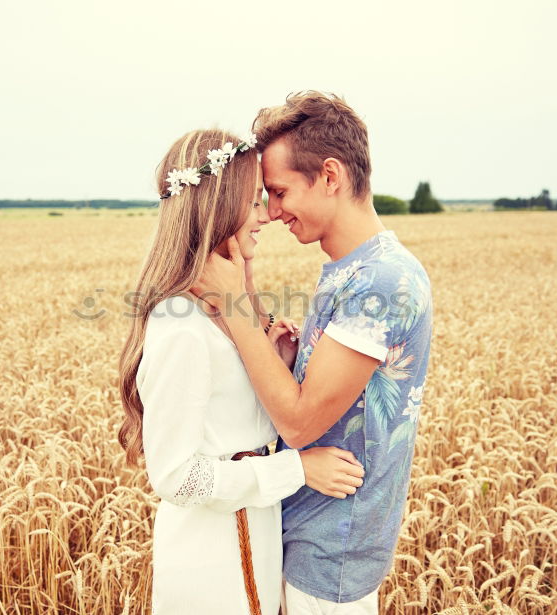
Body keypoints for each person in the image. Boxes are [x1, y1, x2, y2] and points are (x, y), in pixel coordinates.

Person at [191, 92, 434, 613]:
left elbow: (300, 425)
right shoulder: (353, 268)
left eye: (279, 192)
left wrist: (233, 305)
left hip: (332, 551)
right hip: (310, 534)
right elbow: (318, 404)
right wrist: (292, 354)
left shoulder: (381, 282)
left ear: (330, 176)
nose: (272, 212)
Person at [117, 128, 367, 615]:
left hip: (250, 536)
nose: (266, 216)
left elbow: (236, 425)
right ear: (216, 208)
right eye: (253, 202)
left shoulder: (226, 313)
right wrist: (296, 469)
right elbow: (176, 477)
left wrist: (282, 361)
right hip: (209, 562)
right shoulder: (182, 324)